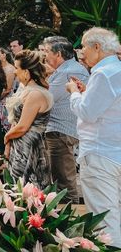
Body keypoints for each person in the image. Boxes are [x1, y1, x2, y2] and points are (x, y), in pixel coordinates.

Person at [67, 27, 121, 246]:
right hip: (114, 150)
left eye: (83, 47)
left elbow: (87, 112)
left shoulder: (103, 73)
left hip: (100, 153)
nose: (81, 52)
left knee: (105, 219)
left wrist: (74, 92)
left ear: (97, 47)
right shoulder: (116, 70)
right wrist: (87, 91)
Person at [43, 36, 89, 204]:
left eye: (47, 51)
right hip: (58, 130)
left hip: (61, 131)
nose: (44, 56)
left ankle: (71, 216)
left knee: (63, 180)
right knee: (58, 178)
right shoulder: (64, 70)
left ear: (59, 54)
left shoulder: (69, 71)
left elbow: (47, 99)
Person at [4, 50, 53, 188]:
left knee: (28, 188)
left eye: (17, 68)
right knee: (16, 188)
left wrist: (6, 138)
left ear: (26, 72)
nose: (14, 72)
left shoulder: (36, 94)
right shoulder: (26, 89)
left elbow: (23, 126)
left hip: (30, 147)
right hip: (20, 144)